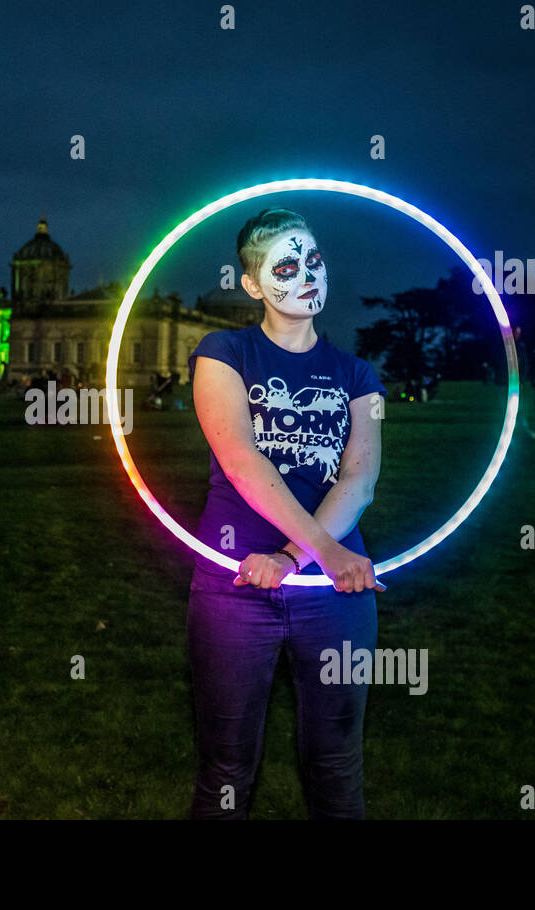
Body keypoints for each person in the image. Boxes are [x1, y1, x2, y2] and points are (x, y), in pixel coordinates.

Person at [186, 207, 385, 820]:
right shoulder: (222, 352)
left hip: (334, 591)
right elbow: (243, 460)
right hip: (234, 584)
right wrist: (324, 552)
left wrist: (298, 558)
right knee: (226, 765)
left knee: (336, 764)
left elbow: (361, 478)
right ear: (252, 284)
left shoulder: (359, 376)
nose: (306, 275)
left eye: (315, 262)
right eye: (287, 265)